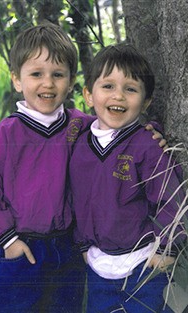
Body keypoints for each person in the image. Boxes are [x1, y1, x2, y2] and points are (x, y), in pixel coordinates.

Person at [0, 22, 166, 313]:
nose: (48, 83)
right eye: (36, 74)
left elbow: (117, 130)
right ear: (16, 80)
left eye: (58, 75)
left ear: (71, 81)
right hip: (24, 246)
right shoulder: (8, 134)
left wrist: (152, 131)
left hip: (69, 246)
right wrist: (7, 239)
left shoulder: (78, 125)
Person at [69, 44, 185, 313]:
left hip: (144, 264)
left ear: (145, 102)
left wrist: (166, 249)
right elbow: (76, 198)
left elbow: (171, 199)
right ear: (88, 94)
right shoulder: (80, 144)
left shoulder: (147, 145)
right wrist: (83, 243)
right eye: (107, 86)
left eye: (130, 89)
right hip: (98, 265)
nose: (118, 96)